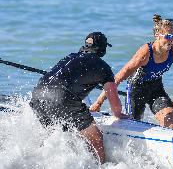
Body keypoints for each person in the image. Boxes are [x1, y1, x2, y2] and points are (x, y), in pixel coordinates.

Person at [90, 14, 173, 128]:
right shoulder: (146, 53)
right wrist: (98, 102)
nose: (171, 40)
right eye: (168, 36)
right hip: (136, 90)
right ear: (157, 35)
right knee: (134, 126)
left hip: (156, 89)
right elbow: (118, 77)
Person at [29, 32, 127, 164]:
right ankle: (101, 166)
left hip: (37, 97)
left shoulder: (70, 57)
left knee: (53, 136)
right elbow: (114, 100)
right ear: (102, 49)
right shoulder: (103, 66)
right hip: (63, 98)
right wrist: (119, 114)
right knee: (96, 139)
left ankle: (32, 162)